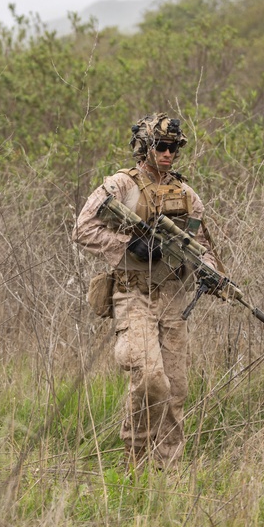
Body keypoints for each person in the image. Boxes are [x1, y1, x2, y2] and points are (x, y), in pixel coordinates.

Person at [73, 113, 220, 470]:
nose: (168, 154)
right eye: (161, 146)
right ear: (144, 148)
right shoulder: (121, 186)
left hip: (172, 296)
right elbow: (83, 229)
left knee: (176, 389)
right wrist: (128, 246)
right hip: (132, 292)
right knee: (150, 377)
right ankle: (135, 459)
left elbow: (201, 245)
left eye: (174, 148)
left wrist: (212, 273)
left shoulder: (188, 196)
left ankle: (167, 471)